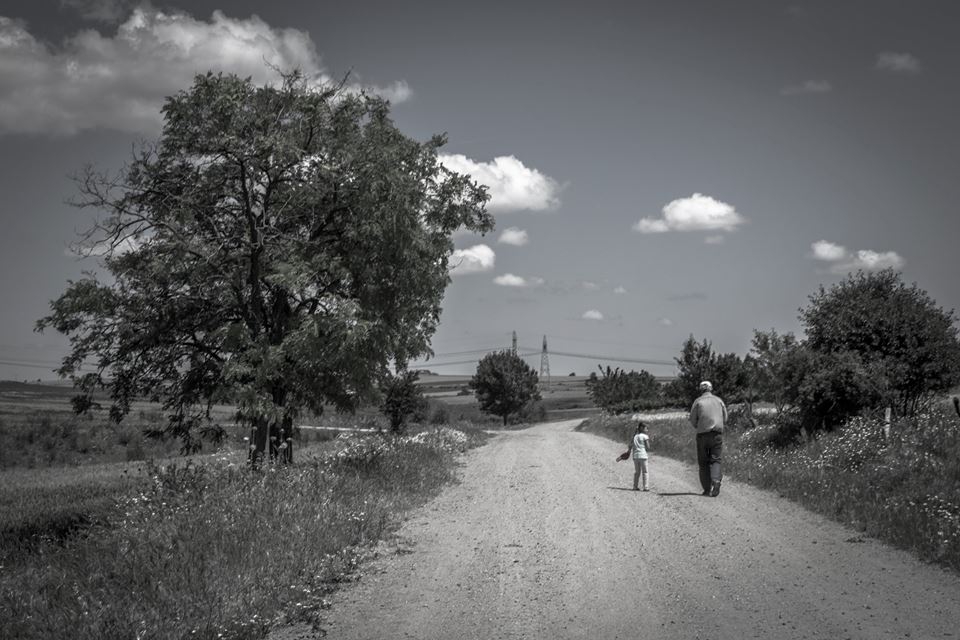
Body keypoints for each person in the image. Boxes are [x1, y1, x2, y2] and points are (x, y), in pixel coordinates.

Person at [689, 380, 726, 497]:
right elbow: (725, 417)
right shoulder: (719, 400)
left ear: (701, 389)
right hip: (717, 434)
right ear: (711, 388)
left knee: (703, 462)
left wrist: (698, 426)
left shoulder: (698, 401)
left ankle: (706, 489)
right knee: (716, 459)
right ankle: (716, 481)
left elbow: (693, 419)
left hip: (702, 435)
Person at [629, 421, 651, 491]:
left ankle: (635, 486)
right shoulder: (645, 436)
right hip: (643, 456)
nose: (647, 430)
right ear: (642, 428)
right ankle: (646, 487)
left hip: (635, 456)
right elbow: (648, 447)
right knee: (645, 472)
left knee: (637, 472)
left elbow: (630, 445)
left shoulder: (635, 436)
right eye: (646, 428)